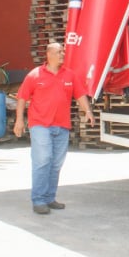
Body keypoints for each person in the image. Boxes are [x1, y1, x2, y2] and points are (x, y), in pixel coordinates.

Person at [14, 42, 94, 214]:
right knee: (43, 160)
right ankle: (38, 200)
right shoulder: (35, 75)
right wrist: (19, 120)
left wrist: (87, 111)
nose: (62, 54)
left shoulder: (70, 75)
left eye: (63, 52)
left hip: (62, 126)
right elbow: (22, 98)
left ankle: (49, 198)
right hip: (40, 125)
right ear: (49, 54)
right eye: (59, 52)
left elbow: (80, 94)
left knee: (56, 163)